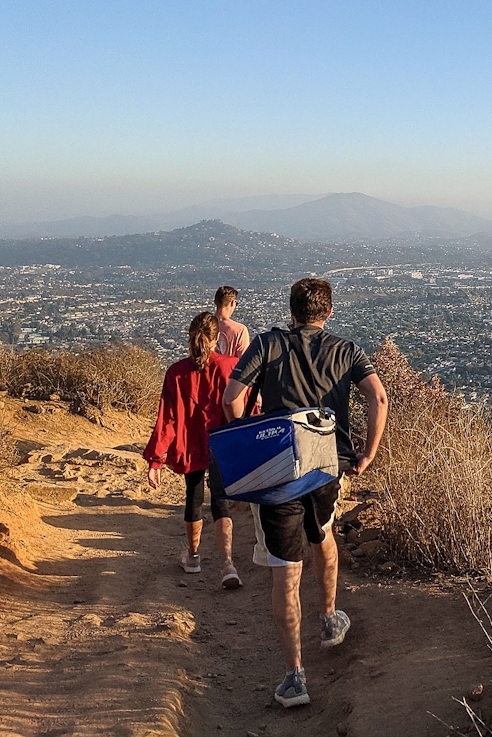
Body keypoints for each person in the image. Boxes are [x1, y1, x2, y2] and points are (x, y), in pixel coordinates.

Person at [222, 277, 388, 709]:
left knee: (285, 570)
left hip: (279, 473)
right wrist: (367, 454)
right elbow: (379, 398)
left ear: (291, 312)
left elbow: (231, 399)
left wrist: (251, 442)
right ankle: (331, 617)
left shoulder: (266, 344)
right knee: (324, 533)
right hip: (327, 467)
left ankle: (295, 678)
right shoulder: (347, 349)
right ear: (327, 313)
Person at [144, 312, 248, 589]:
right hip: (223, 443)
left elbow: (166, 419)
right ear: (218, 339)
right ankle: (228, 564)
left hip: (189, 444)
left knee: (193, 495)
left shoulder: (176, 373)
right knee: (221, 501)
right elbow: (246, 409)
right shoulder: (231, 367)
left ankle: (192, 556)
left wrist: (156, 461)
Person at [214, 286, 251, 359]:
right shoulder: (240, 330)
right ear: (232, 303)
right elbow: (244, 361)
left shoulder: (203, 325)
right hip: (230, 369)